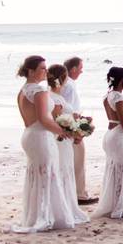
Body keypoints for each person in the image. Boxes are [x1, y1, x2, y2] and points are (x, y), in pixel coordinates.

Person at [11, 55, 75, 233]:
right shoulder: (39, 91)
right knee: (46, 173)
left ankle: (35, 214)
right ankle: (45, 216)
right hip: (40, 136)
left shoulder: (23, 91)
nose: (46, 72)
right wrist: (63, 131)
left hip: (29, 134)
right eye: (42, 68)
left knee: (37, 174)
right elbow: (44, 119)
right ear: (31, 71)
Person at [93, 66, 123, 219]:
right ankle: (119, 208)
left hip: (110, 134)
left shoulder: (107, 96)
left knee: (114, 169)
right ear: (122, 81)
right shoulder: (119, 98)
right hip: (120, 136)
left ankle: (114, 204)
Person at [47, 64, 90, 224]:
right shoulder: (56, 99)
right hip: (62, 141)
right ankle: (63, 208)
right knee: (64, 170)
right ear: (63, 79)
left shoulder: (52, 96)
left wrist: (79, 124)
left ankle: (64, 205)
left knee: (65, 170)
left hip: (63, 139)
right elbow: (58, 122)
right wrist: (76, 132)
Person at [62, 56, 96, 205]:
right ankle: (79, 194)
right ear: (73, 69)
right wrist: (78, 127)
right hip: (71, 127)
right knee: (78, 161)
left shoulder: (68, 84)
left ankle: (76, 193)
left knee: (74, 161)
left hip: (70, 124)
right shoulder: (69, 85)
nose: (82, 71)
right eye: (80, 68)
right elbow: (66, 108)